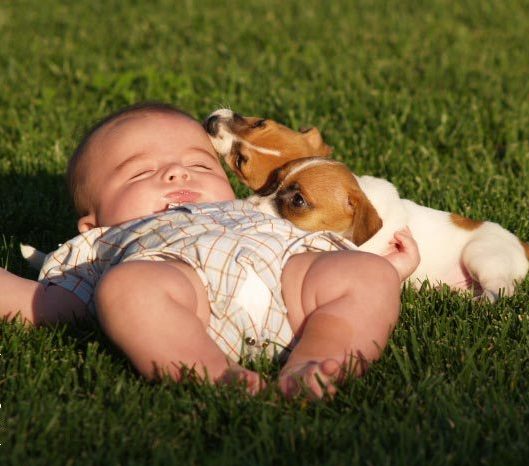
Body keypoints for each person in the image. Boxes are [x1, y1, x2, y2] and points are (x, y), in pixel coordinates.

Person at [0, 103, 420, 399]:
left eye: (201, 165)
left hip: (291, 285)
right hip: (183, 290)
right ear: (94, 225)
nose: (177, 171)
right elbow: (38, 302)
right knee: (126, 288)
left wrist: (384, 268)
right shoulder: (103, 249)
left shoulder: (254, 213)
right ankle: (212, 373)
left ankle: (320, 359)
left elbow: (330, 254)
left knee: (368, 273)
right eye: (142, 172)